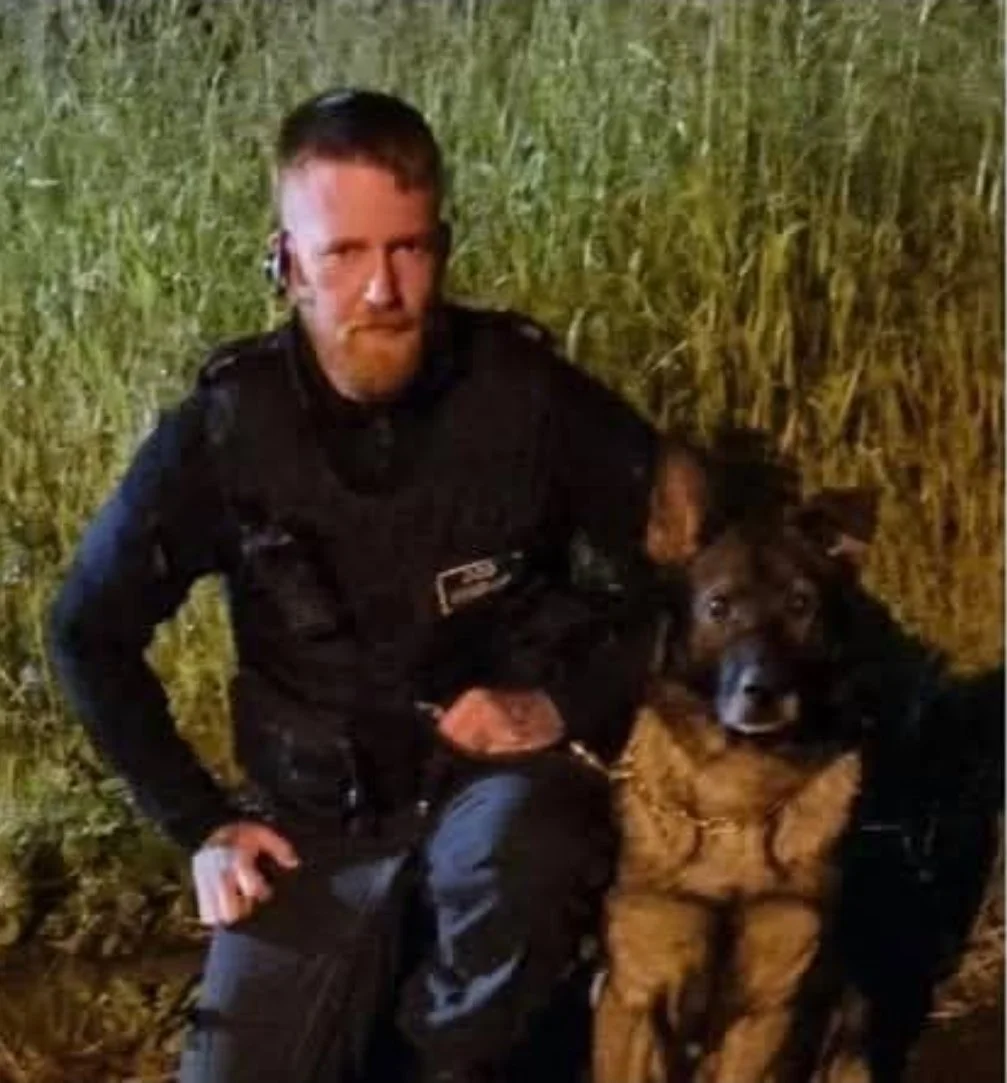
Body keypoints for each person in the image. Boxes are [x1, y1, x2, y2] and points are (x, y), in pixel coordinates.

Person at [48, 88, 702, 1083]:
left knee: (520, 868)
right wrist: (202, 827)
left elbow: (698, 577)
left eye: (407, 249)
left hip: (494, 796)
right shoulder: (227, 431)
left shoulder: (523, 394)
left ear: (440, 247)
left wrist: (563, 701)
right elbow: (85, 632)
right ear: (285, 262)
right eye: (344, 253)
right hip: (314, 820)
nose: (382, 288)